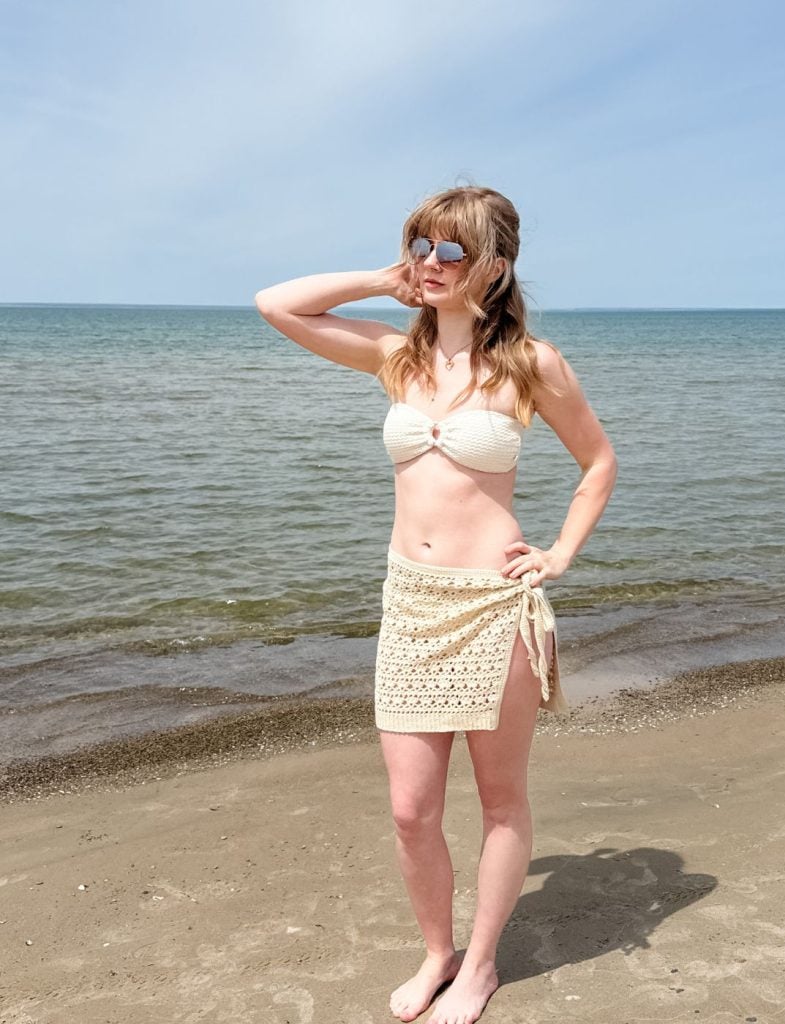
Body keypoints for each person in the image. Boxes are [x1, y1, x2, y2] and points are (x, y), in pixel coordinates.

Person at [254, 186, 617, 1024]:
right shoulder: (397, 357)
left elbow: (598, 464)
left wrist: (559, 553)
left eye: (451, 252)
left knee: (500, 802)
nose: (431, 264)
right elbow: (276, 304)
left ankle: (482, 964)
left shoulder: (533, 363)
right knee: (411, 809)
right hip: (412, 604)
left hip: (495, 606)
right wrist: (387, 278)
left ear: (495, 265)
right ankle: (436, 954)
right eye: (421, 245)